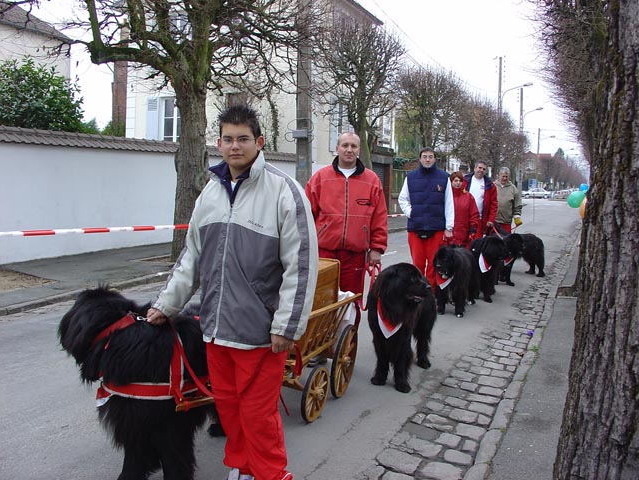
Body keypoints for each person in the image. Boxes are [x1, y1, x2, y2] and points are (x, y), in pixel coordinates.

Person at [146, 104, 318, 480]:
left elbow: (301, 266)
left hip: (259, 332)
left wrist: (286, 326)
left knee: (258, 414)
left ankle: (271, 474)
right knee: (228, 408)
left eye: (243, 139)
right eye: (228, 139)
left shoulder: (284, 192)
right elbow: (191, 257)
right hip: (215, 327)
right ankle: (242, 467)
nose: (235, 146)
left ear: (259, 142)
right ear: (218, 144)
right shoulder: (209, 194)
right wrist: (166, 305)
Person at [305, 132, 388, 294]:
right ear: (337, 149)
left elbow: (379, 217)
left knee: (351, 301)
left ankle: (350, 321)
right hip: (324, 252)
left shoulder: (372, 180)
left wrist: (377, 248)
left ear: (359, 150)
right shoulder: (320, 178)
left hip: (355, 254)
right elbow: (306, 214)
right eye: (345, 145)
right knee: (322, 299)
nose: (349, 150)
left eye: (353, 146)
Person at [398, 147, 454, 291]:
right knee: (417, 264)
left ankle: (431, 293)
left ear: (435, 159)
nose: (427, 159)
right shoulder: (410, 177)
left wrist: (449, 227)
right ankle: (417, 292)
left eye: (430, 157)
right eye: (425, 157)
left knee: (434, 264)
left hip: (436, 228)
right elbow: (403, 199)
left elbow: (449, 203)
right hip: (416, 227)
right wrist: (412, 213)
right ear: (420, 159)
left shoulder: (444, 177)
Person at [463, 160, 498, 237]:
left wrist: (491, 220)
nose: (481, 170)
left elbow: (494, 204)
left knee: (477, 243)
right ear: (475, 168)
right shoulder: (465, 181)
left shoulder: (490, 185)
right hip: (464, 218)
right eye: (480, 168)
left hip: (480, 220)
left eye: (484, 169)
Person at [449, 171, 480, 248]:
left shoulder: (469, 197)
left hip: (464, 236)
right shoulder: (446, 197)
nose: (458, 183)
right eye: (456, 181)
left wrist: (473, 229)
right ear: (451, 182)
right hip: (449, 236)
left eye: (460, 181)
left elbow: (474, 214)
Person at [495, 166, 523, 233]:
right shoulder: (493, 186)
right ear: (499, 175)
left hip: (506, 223)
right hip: (493, 222)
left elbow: (517, 205)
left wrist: (517, 217)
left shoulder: (513, 189)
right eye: (503, 176)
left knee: (505, 242)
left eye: (506, 177)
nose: (504, 178)